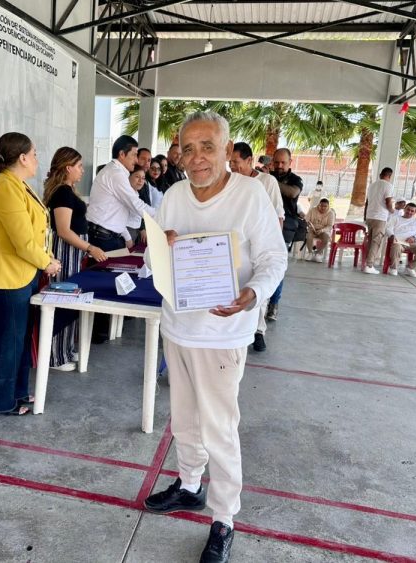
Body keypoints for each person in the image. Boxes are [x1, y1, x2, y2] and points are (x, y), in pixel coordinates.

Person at [143, 112, 287, 563]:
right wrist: (159, 247)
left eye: (208, 146)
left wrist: (254, 294)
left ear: (228, 151)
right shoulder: (174, 195)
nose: (197, 157)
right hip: (178, 327)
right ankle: (189, 486)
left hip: (223, 333)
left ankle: (224, 518)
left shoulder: (249, 196)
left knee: (219, 429)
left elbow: (273, 259)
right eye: (188, 148)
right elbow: (153, 263)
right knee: (183, 420)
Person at [0, 132, 62, 415]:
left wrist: (46, 256)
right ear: (23, 157)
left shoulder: (19, 185)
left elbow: (35, 233)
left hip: (23, 273)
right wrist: (46, 263)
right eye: (35, 154)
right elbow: (22, 240)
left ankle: (17, 392)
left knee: (20, 337)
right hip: (8, 276)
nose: (38, 159)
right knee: (8, 340)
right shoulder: (5, 187)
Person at [43, 147, 107, 371]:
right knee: (64, 299)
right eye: (79, 166)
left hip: (75, 249)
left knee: (73, 299)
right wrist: (90, 247)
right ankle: (55, 356)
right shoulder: (62, 192)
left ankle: (67, 349)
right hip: (67, 249)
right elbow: (63, 230)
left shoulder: (68, 191)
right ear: (68, 167)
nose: (82, 170)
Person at [229, 141, 284, 352]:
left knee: (259, 289)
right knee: (241, 288)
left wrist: (273, 246)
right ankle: (241, 329)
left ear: (250, 161)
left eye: (236, 162)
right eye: (230, 162)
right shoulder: (231, 182)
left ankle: (259, 331)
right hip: (238, 246)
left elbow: (278, 215)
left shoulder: (267, 182)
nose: (233, 166)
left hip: (261, 245)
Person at [85, 134, 155, 252]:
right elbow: (135, 204)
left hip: (107, 236)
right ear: (122, 154)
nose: (136, 160)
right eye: (134, 155)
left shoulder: (118, 172)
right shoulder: (115, 174)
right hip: (103, 238)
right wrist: (163, 217)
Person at [266, 147, 304, 321]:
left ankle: (274, 304)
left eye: (283, 162)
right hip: (265, 224)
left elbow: (292, 192)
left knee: (278, 267)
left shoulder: (295, 179)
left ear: (290, 162)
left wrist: (270, 179)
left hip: (286, 227)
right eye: (277, 162)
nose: (279, 165)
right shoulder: (265, 176)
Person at [363, 167, 395, 274]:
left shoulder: (372, 185)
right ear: (389, 176)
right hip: (380, 217)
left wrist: (365, 216)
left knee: (370, 240)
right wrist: (392, 210)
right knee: (376, 242)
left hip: (369, 216)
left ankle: (366, 262)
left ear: (380, 174)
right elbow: (388, 202)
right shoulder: (388, 186)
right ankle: (369, 265)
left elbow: (367, 202)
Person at [384, 203, 416, 277]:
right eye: (408, 209)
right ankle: (393, 268)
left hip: (412, 242)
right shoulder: (396, 218)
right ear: (404, 209)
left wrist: (414, 237)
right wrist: (392, 236)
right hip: (399, 241)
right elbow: (388, 228)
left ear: (415, 212)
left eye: (412, 211)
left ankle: (410, 268)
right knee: (396, 247)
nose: (409, 212)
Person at [305, 198, 336, 263]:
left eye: (325, 206)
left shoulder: (331, 213)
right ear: (319, 205)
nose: (323, 208)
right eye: (321, 206)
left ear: (328, 206)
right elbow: (306, 220)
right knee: (308, 236)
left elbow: (330, 226)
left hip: (323, 231)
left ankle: (318, 253)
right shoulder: (312, 210)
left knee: (326, 238)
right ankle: (310, 253)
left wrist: (322, 230)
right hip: (312, 229)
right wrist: (310, 225)